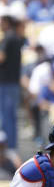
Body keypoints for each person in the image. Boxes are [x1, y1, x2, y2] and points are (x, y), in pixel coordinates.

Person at [0, 10, 23, 151]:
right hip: (13, 83)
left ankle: (6, 148)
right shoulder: (17, 37)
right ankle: (11, 147)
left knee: (5, 116)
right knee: (10, 117)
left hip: (6, 84)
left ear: (7, 22)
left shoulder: (8, 38)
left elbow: (1, 57)